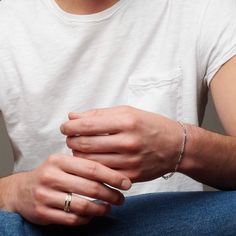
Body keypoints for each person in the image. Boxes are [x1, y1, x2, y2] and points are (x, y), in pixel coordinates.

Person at [0, 0, 236, 235]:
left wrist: (182, 146)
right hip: (46, 227)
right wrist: (14, 191)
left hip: (170, 224)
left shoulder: (204, 7)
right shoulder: (8, 15)